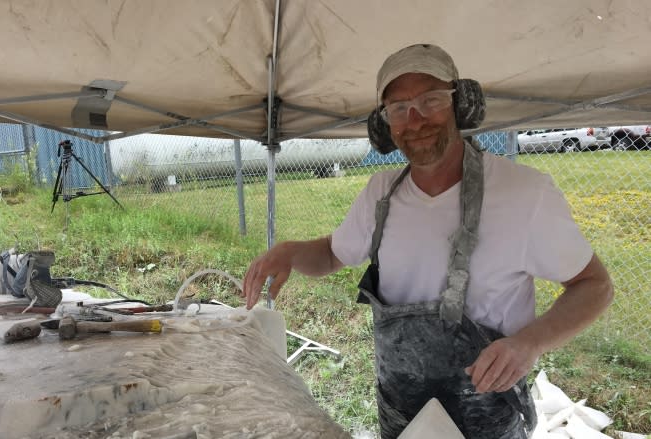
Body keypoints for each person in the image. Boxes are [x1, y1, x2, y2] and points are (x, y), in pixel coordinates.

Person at [241, 43, 613, 439]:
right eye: (398, 109)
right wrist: (289, 252)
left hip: (485, 420)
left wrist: (529, 343)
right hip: (399, 415)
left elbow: (595, 286)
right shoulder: (380, 193)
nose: (414, 119)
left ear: (460, 104)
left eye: (430, 100)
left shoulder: (524, 194)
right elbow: (333, 254)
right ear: (385, 123)